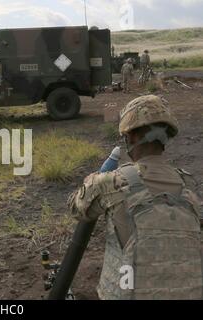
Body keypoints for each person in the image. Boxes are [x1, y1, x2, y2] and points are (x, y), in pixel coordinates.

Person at [68, 95, 203, 300]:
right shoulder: (189, 185)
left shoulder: (110, 183)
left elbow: (76, 209)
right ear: (165, 139)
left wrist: (92, 181)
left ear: (130, 137)